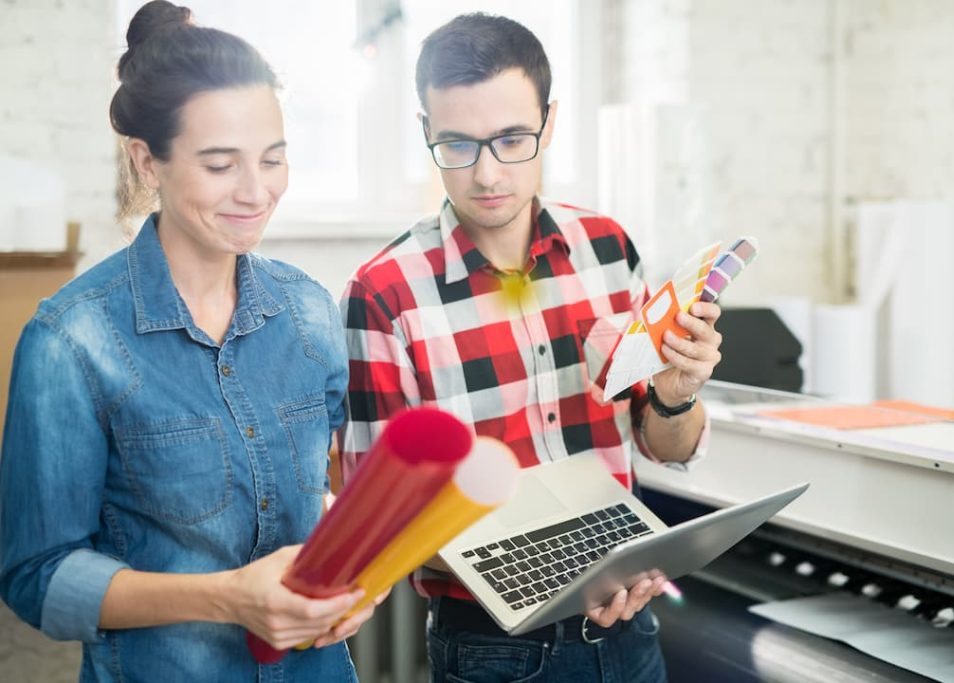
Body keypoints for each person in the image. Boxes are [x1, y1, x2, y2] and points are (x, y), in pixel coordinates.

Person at [340, 12, 723, 683]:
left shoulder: (608, 249)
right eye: (457, 144)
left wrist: (675, 395)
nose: (487, 173)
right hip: (494, 650)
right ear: (426, 132)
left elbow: (663, 443)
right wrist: (544, 571)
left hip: (632, 630)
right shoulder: (384, 293)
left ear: (549, 123)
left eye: (512, 139)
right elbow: (381, 529)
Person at [0, 2, 375, 680]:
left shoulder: (310, 311)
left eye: (273, 159)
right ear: (148, 161)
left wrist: (347, 581)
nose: (256, 191)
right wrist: (229, 598)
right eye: (220, 164)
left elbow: (313, 496)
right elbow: (38, 576)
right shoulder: (72, 340)